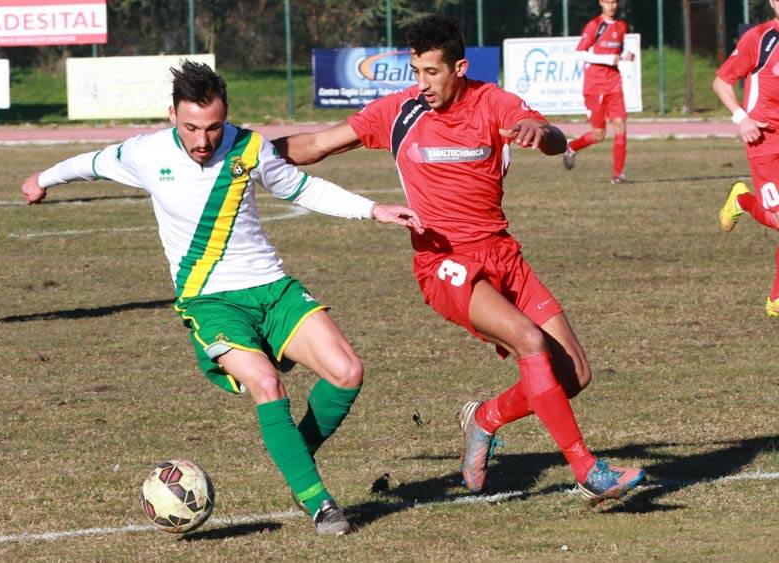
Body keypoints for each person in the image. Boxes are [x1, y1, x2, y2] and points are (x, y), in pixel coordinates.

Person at [21, 61, 422, 535]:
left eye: (213, 128)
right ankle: (319, 503)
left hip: (271, 288)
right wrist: (42, 179)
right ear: (172, 115)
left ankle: (296, 459)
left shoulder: (248, 146)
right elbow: (88, 164)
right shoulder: (144, 153)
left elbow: (302, 188)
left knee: (347, 372)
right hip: (208, 301)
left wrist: (372, 209)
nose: (203, 141)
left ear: (226, 117)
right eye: (191, 127)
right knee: (267, 383)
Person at [274, 15, 645, 505]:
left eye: (432, 72)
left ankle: (484, 418)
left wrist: (540, 130)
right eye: (415, 70)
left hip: (502, 253)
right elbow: (316, 145)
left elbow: (552, 139)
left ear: (460, 67)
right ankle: (587, 469)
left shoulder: (493, 103)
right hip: (444, 263)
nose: (421, 83)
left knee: (574, 374)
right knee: (529, 340)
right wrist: (245, 152)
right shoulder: (399, 112)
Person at [715, 0, 779, 318]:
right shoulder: (761, 38)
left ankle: (777, 300)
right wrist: (742, 118)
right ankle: (742, 200)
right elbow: (722, 82)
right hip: (765, 139)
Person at [563, 0, 634, 184]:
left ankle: (618, 175)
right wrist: (609, 58)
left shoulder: (621, 26)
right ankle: (572, 146)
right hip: (595, 86)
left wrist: (626, 56)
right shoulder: (595, 25)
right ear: (601, 3)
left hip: (614, 84)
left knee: (620, 124)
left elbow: (617, 51)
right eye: (608, 2)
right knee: (599, 135)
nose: (612, 6)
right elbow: (580, 52)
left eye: (615, 2)